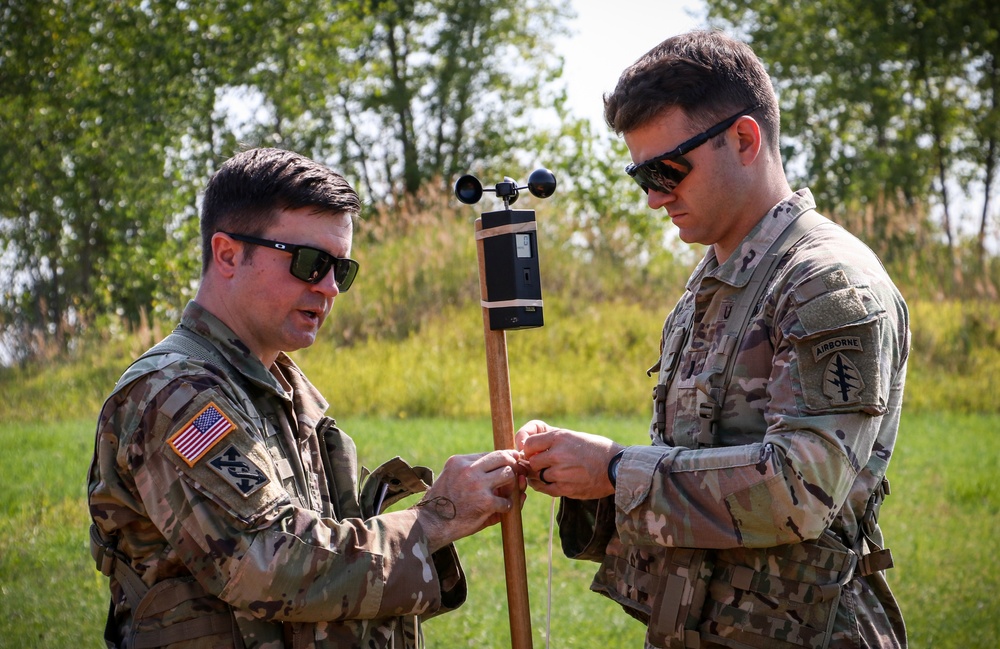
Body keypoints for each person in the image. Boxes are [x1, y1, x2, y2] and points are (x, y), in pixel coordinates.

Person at [515, 30, 909, 649]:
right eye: (639, 174)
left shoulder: (825, 283)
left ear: (745, 139)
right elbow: (694, 460)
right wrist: (581, 471)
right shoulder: (714, 279)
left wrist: (616, 470)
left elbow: (799, 491)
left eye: (668, 169)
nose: (652, 198)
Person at [88, 147, 523, 648]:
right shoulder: (177, 394)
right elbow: (266, 561)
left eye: (342, 269)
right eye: (311, 262)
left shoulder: (283, 393)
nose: (331, 288)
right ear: (228, 254)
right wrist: (432, 521)